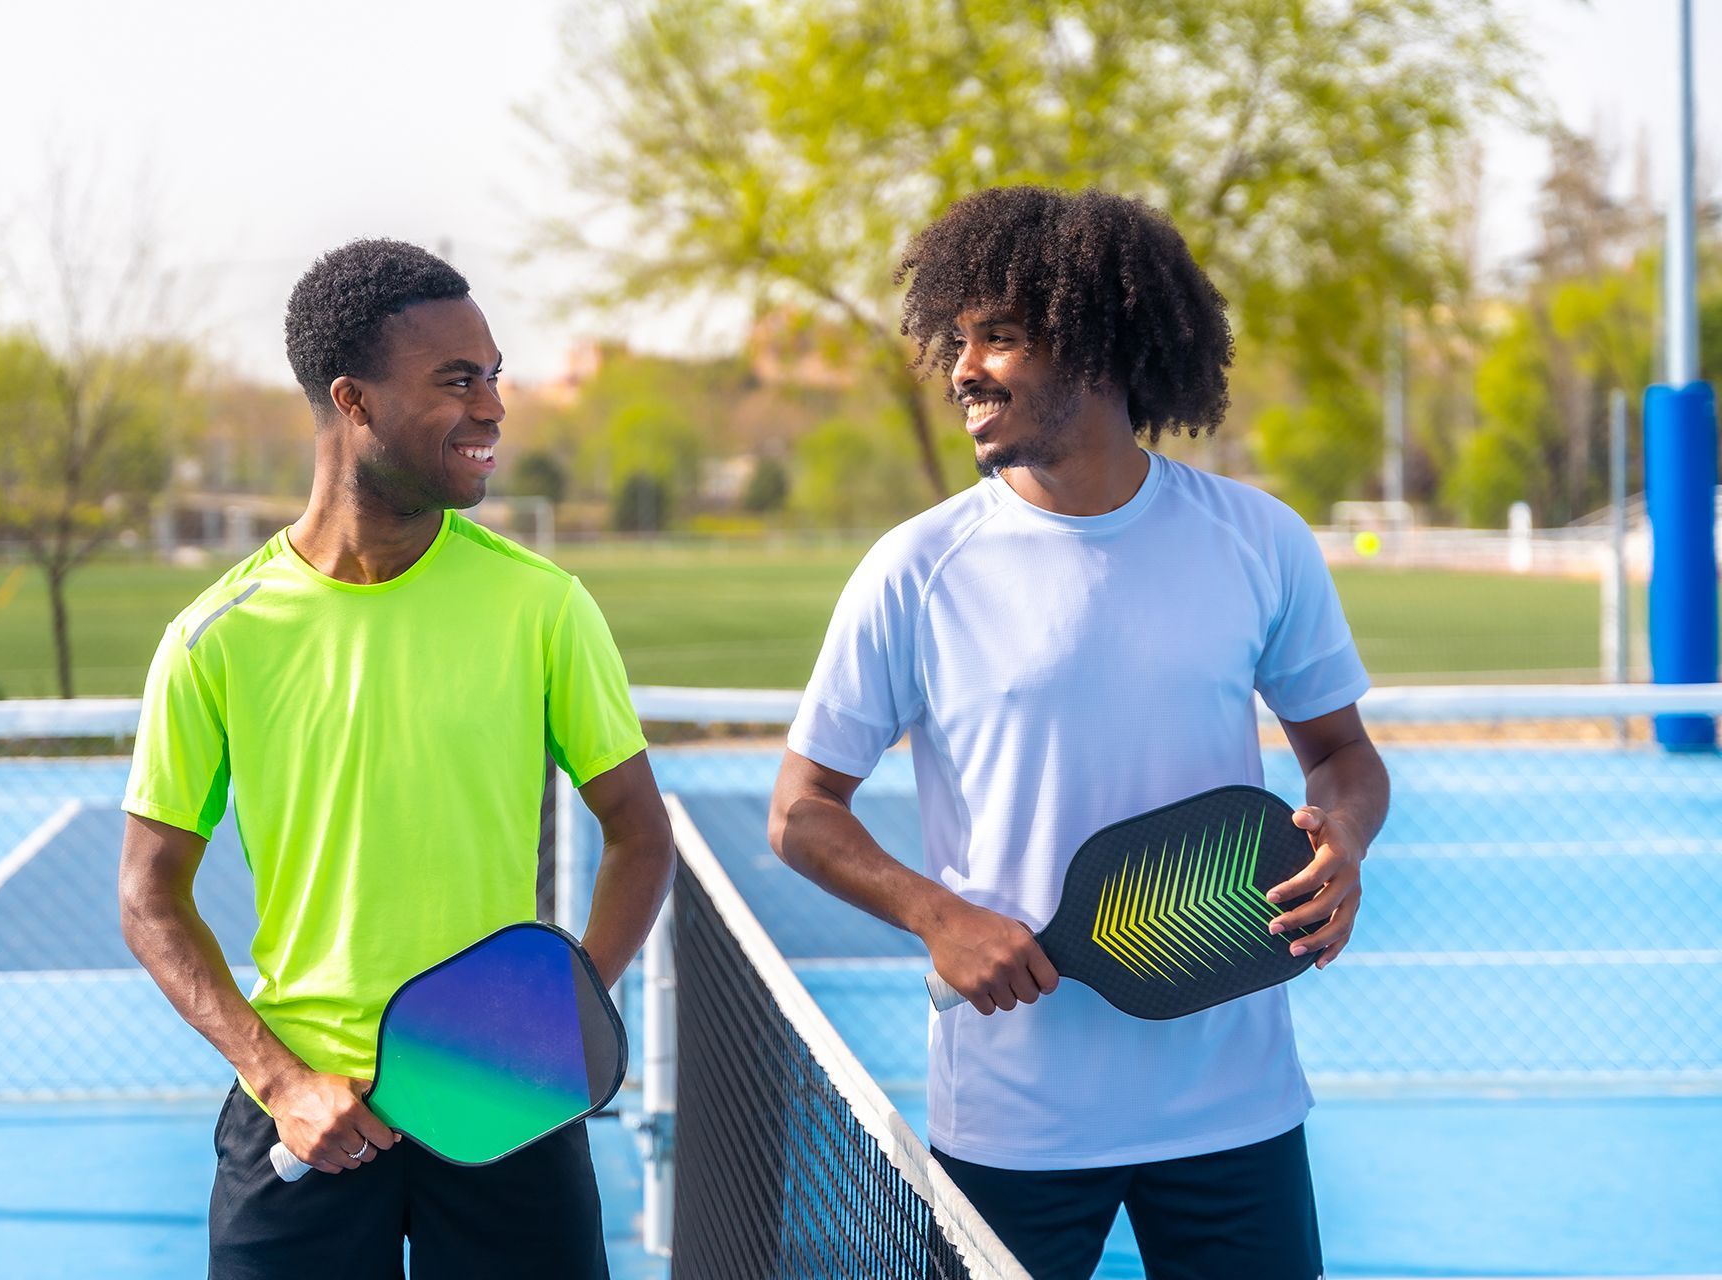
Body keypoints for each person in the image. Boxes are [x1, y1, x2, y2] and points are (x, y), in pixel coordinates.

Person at [767, 187, 1390, 1280]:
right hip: (1011, 1119)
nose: (962, 368)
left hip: (1233, 1107)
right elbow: (800, 809)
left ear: (1098, 337)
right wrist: (939, 914)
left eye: (998, 337)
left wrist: (1343, 839)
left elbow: (1340, 752)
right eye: (955, 340)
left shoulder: (1259, 540)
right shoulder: (916, 570)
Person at [118, 239, 673, 1279]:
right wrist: (278, 1076)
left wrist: (560, 1016)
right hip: (300, 1112)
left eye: (495, 373)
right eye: (457, 379)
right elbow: (150, 896)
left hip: (510, 1110)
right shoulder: (215, 634)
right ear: (353, 400)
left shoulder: (542, 605)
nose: (495, 406)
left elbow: (640, 834)